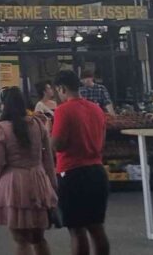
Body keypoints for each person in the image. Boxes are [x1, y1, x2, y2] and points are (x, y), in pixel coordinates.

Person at [0, 89, 57, 255]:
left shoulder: (0, 128)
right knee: (38, 238)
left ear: (4, 105)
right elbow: (48, 158)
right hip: (38, 181)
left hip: (13, 184)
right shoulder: (38, 124)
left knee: (20, 239)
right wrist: (52, 186)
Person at [51, 71, 109, 255]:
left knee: (77, 230)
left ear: (62, 88)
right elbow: (102, 140)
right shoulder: (96, 109)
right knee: (96, 228)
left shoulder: (63, 110)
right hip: (97, 171)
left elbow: (58, 145)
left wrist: (47, 132)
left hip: (73, 173)